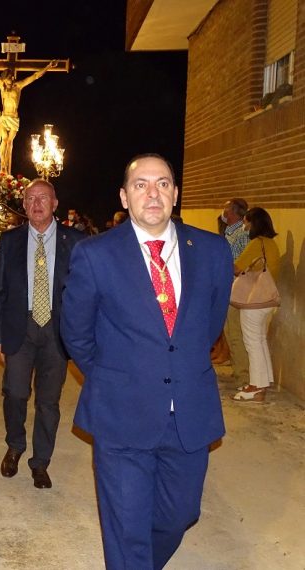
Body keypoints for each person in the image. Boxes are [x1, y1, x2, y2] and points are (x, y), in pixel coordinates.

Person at [61, 154, 232, 569]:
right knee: (127, 528)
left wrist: (176, 366)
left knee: (180, 515)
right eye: (141, 184)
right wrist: (114, 376)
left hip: (189, 411)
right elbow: (77, 333)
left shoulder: (211, 250)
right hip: (121, 413)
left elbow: (209, 324)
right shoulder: (95, 254)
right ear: (124, 195)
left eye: (163, 183)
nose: (152, 193)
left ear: (175, 193)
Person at [0, 180, 85, 489]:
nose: (37, 203)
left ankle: (41, 461)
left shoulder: (78, 242)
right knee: (15, 393)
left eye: (43, 198)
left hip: (58, 332)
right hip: (20, 328)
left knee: (48, 402)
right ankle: (15, 445)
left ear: (55, 203)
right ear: (24, 205)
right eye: (30, 199)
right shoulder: (10, 240)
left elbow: (87, 293)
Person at [0, 59, 57, 175]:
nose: (11, 80)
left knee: (9, 142)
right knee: (4, 140)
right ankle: (2, 165)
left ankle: (6, 165)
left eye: (12, 78)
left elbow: (35, 76)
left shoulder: (18, 86)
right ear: (4, 78)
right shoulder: (1, 86)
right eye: (9, 78)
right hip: (4, 118)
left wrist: (48, 66)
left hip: (13, 119)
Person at [230, 207, 280, 403]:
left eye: (246, 222)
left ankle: (256, 387)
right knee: (259, 341)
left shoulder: (256, 243)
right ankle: (263, 382)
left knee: (252, 343)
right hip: (267, 299)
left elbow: (237, 267)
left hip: (254, 301)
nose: (245, 226)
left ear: (254, 223)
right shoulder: (271, 244)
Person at [221, 198, 250, 386]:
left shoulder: (241, 234)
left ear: (232, 212)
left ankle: (244, 377)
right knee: (228, 332)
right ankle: (238, 369)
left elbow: (236, 264)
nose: (222, 214)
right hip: (228, 289)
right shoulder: (230, 233)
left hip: (236, 290)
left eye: (225, 209)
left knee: (235, 334)